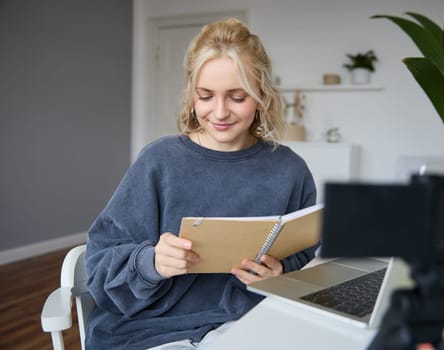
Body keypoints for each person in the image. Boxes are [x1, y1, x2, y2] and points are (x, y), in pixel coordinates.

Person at [85, 18, 318, 350]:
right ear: (191, 95)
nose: (219, 112)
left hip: (247, 323)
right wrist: (150, 262)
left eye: (237, 97)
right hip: (151, 330)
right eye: (206, 96)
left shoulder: (289, 169)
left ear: (262, 95)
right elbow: (99, 266)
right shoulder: (159, 161)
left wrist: (279, 274)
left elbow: (305, 256)